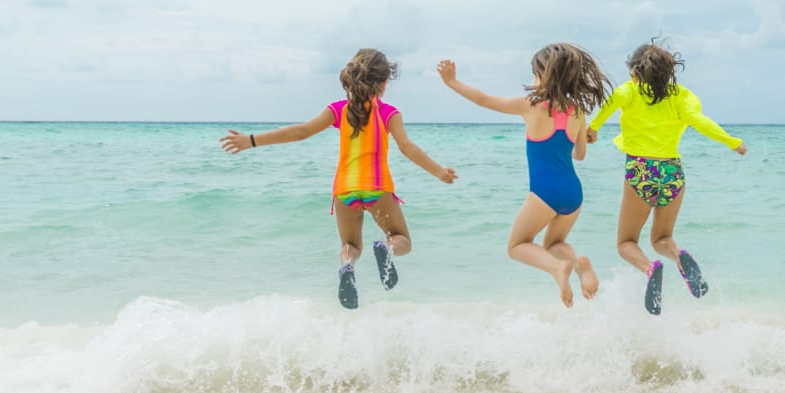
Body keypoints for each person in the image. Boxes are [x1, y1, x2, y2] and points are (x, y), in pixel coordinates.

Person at [219, 48, 457, 309]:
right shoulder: (389, 113)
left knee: (351, 245)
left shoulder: (340, 110)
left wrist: (251, 141)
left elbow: (301, 132)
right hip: (377, 189)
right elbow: (406, 147)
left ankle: (347, 266)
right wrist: (439, 171)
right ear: (382, 83)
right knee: (401, 239)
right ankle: (387, 249)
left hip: (345, 191)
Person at [437, 43, 611, 307]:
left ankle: (557, 268)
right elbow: (580, 155)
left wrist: (452, 82)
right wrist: (585, 136)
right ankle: (578, 263)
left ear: (544, 74)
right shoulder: (577, 112)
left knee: (517, 246)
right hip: (573, 193)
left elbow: (484, 100)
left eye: (534, 73)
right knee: (554, 243)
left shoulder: (531, 105)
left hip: (544, 192)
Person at [586, 39, 746, 315]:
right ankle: (678, 256)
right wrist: (732, 142)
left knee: (626, 243)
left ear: (634, 71)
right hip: (672, 171)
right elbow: (701, 122)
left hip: (641, 169)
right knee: (662, 238)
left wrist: (593, 129)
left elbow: (608, 107)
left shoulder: (629, 91)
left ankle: (650, 268)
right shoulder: (683, 97)